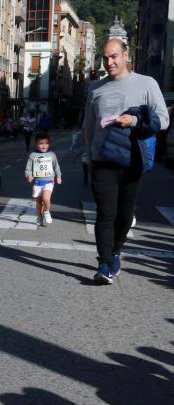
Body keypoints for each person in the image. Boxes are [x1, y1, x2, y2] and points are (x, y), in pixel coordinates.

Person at [83, 38, 169, 284]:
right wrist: (89, 155)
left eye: (114, 57)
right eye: (105, 58)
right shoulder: (96, 89)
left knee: (125, 214)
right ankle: (104, 264)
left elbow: (163, 120)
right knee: (105, 213)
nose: (109, 62)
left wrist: (133, 121)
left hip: (133, 159)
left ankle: (116, 251)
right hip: (102, 161)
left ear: (125, 55)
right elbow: (88, 125)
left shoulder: (146, 83)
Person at [24, 132, 62, 226]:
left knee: (46, 198)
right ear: (36, 144)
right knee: (39, 202)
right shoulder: (33, 155)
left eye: (46, 143)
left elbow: (56, 167)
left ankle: (47, 212)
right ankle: (39, 216)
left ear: (49, 144)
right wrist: (28, 176)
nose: (44, 146)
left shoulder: (52, 155)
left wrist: (59, 176)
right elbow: (28, 169)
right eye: (41, 143)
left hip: (49, 181)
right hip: (37, 182)